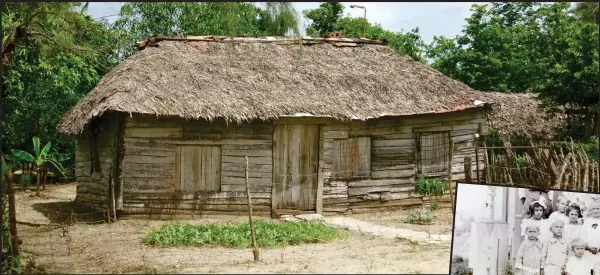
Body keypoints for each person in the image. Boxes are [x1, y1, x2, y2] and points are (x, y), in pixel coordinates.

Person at [582, 200, 600, 266]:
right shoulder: (587, 221)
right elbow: (582, 235)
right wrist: (588, 247)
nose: (595, 211)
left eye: (598, 208)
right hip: (588, 251)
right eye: (593, 209)